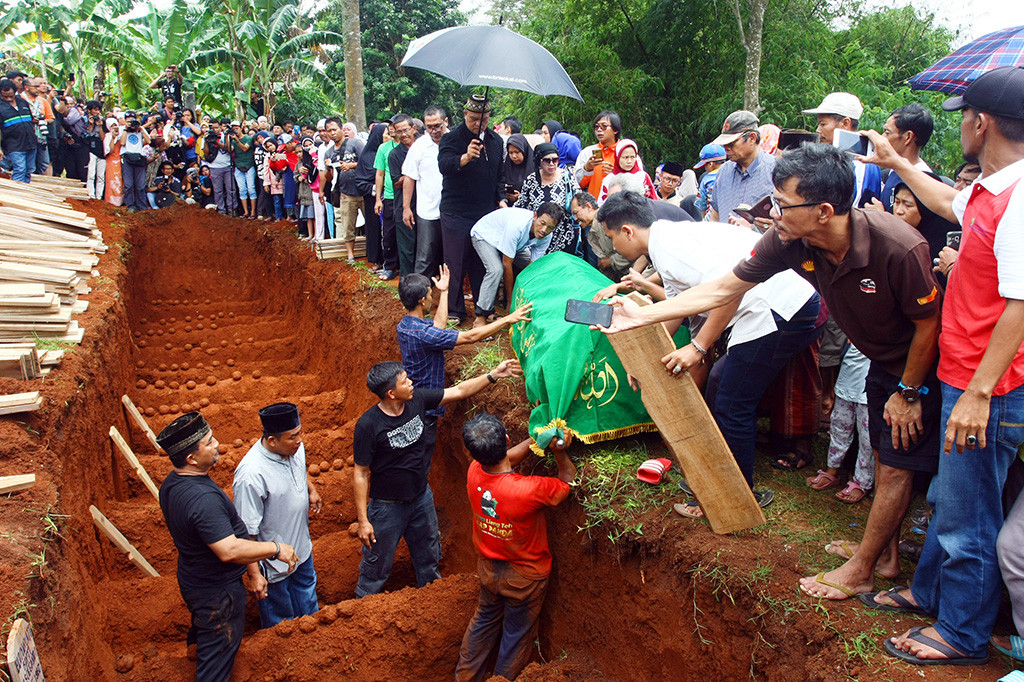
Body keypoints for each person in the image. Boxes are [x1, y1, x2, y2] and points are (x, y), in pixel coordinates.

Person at [601, 143, 942, 602]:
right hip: (883, 362)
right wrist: (640, 317)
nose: (772, 211)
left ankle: (862, 567)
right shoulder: (787, 239)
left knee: (897, 468)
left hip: (921, 370)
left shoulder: (899, 246)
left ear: (824, 211)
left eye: (783, 203)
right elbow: (724, 287)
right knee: (885, 459)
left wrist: (908, 390)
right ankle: (883, 554)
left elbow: (929, 325)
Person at [853, 65, 1024, 667]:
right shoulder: (991, 189)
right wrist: (895, 164)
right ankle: (929, 593)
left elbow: (1020, 304)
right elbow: (948, 199)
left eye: (963, 119)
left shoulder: (1021, 200)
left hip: (992, 384)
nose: (961, 129)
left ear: (981, 123)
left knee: (968, 511)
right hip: (966, 372)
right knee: (952, 501)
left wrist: (980, 391)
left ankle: (962, 632)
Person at [593, 192, 820, 509]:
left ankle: (733, 497)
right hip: (769, 306)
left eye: (612, 237)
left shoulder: (673, 249)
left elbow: (729, 294)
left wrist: (698, 347)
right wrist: (641, 361)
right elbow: (675, 309)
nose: (614, 247)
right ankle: (724, 482)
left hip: (779, 306)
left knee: (731, 398)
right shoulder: (664, 245)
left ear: (628, 230)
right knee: (722, 387)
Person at [352, 358, 522, 597]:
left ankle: (432, 602)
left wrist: (493, 374)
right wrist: (363, 520)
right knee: (376, 567)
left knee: (429, 557)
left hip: (421, 498)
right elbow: (360, 473)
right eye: (405, 381)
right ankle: (363, 607)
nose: (411, 383)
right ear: (391, 393)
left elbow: (459, 391)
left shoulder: (417, 399)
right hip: (387, 508)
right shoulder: (368, 425)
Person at [157, 411, 299, 682]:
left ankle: (195, 648)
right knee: (217, 659)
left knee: (201, 631)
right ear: (191, 458)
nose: (217, 444)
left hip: (193, 579)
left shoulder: (171, 484)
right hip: (218, 595)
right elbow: (229, 549)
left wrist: (256, 571)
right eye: (209, 443)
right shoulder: (202, 500)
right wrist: (276, 549)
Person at [454, 413, 576, 682]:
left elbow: (506, 460)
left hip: (488, 570)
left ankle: (464, 677)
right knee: (515, 636)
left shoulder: (474, 470)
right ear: (506, 440)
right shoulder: (528, 490)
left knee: (482, 623)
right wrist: (560, 452)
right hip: (525, 578)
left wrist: (535, 439)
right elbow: (567, 481)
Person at [396, 266, 531, 422]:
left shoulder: (406, 325)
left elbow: (438, 327)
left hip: (418, 399)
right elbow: (470, 337)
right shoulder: (423, 334)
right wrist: (507, 319)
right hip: (425, 408)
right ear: (422, 300)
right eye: (431, 294)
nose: (432, 298)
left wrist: (445, 291)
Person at [232, 403, 322, 629]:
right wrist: (254, 575)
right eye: (293, 437)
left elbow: (298, 470)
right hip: (273, 564)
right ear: (272, 440)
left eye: (300, 432)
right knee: (281, 624)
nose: (300, 440)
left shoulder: (293, 448)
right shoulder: (251, 475)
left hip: (302, 550)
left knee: (309, 606)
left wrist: (310, 489)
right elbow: (246, 533)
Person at [437, 95, 507, 325]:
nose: (479, 124)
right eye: (475, 118)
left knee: (482, 263)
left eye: (484, 119)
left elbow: (499, 176)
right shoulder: (451, 138)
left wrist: (502, 199)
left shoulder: (496, 141)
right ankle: (455, 310)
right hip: (456, 212)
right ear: (465, 114)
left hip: (485, 214)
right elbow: (444, 166)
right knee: (455, 263)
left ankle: (482, 307)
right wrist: (465, 157)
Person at [472, 204, 563, 323]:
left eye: (550, 227)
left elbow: (532, 269)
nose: (544, 230)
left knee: (539, 267)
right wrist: (510, 302)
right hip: (486, 236)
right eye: (542, 223)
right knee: (496, 270)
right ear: (535, 216)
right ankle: (480, 317)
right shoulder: (517, 225)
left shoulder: (546, 236)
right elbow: (506, 264)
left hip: (513, 245)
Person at [806, 343, 874, 503]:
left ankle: (862, 482)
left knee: (867, 438)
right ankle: (832, 470)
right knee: (839, 427)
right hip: (849, 376)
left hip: (871, 384)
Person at [802, 92, 881, 207]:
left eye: (823, 124)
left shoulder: (859, 162)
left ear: (845, 123)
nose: (818, 130)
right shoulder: (859, 157)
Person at [707, 110, 776, 227]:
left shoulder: (776, 171)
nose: (726, 148)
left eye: (732, 143)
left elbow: (788, 224)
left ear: (752, 138)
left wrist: (761, 227)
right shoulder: (724, 171)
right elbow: (715, 216)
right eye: (724, 144)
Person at [403, 106, 448, 277]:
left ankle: (451, 294)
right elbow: (409, 177)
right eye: (429, 127)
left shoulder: (455, 142)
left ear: (446, 122)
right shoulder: (419, 146)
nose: (434, 131)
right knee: (425, 255)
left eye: (437, 125)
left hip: (452, 210)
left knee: (451, 255)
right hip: (427, 210)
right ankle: (420, 293)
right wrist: (406, 208)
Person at [514, 142, 579, 257]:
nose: (552, 164)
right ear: (539, 161)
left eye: (555, 160)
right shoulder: (531, 180)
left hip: (563, 237)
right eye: (546, 160)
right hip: (539, 237)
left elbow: (578, 201)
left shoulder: (567, 177)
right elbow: (521, 205)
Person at [878, 103, 933, 211]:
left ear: (908, 137)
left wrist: (880, 215)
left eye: (887, 133)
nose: (882, 138)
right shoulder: (892, 172)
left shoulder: (923, 181)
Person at [325, 117, 365, 262]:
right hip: (346, 193)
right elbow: (329, 178)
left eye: (335, 129)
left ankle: (374, 253)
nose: (332, 133)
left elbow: (366, 162)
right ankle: (350, 255)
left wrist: (351, 165)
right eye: (329, 131)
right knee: (348, 225)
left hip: (363, 191)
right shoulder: (329, 153)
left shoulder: (355, 143)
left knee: (371, 224)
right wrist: (328, 168)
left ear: (341, 129)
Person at [389, 115, 419, 275]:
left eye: (406, 130)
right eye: (398, 131)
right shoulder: (394, 154)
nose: (403, 134)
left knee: (425, 249)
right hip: (404, 207)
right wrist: (412, 173)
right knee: (407, 250)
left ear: (414, 129)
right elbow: (397, 182)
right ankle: (408, 286)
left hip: (425, 206)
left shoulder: (423, 146)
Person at [354, 123, 386, 268]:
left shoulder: (390, 152)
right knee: (374, 230)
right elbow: (360, 181)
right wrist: (377, 190)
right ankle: (377, 259)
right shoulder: (367, 156)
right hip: (373, 199)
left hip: (391, 198)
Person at [375, 118, 401, 280]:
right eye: (389, 126)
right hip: (390, 197)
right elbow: (379, 174)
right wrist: (378, 198)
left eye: (394, 126)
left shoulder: (411, 146)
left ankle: (406, 267)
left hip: (408, 196)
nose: (391, 129)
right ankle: (390, 266)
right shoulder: (383, 148)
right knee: (389, 232)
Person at [576, 110, 622, 197]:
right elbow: (576, 184)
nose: (599, 130)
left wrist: (616, 173)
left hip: (619, 205)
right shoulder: (588, 152)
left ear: (615, 130)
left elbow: (636, 182)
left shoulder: (625, 152)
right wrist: (587, 169)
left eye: (604, 126)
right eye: (596, 127)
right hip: (594, 206)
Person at [0, 78, 38, 183]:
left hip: (30, 142)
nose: (8, 99)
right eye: (5, 96)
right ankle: (19, 194)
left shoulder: (22, 102)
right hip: (14, 145)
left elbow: (31, 120)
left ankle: (26, 191)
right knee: (20, 169)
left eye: (11, 96)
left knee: (30, 170)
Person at [119, 117, 152, 212]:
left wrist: (141, 129)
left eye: (133, 122)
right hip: (126, 157)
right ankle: (130, 205)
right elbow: (122, 142)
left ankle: (142, 206)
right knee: (128, 184)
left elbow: (149, 141)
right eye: (129, 121)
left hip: (139, 157)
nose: (131, 124)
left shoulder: (140, 130)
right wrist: (126, 129)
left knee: (140, 185)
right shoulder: (122, 129)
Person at [208, 119, 238, 216]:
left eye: (217, 127)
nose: (215, 130)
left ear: (220, 127)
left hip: (227, 166)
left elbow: (228, 149)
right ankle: (221, 211)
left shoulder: (226, 135)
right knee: (218, 191)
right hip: (214, 167)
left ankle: (232, 209)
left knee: (231, 189)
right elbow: (205, 152)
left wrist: (224, 138)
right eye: (213, 128)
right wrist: (207, 140)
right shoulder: (208, 136)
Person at [229, 121, 256, 219]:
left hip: (249, 166)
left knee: (251, 189)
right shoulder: (232, 140)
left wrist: (236, 140)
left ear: (241, 128)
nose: (235, 130)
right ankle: (246, 212)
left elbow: (245, 148)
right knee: (242, 190)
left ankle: (253, 212)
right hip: (238, 167)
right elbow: (229, 149)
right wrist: (227, 138)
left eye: (237, 128)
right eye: (233, 128)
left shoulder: (248, 138)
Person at [693, 143, 727, 217]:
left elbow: (701, 203)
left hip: (712, 217)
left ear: (711, 164)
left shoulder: (706, 179)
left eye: (705, 165)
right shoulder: (733, 173)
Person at [502, 134, 533, 207]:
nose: (514, 156)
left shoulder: (534, 168)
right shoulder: (506, 166)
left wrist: (521, 197)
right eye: (511, 152)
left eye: (517, 152)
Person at [104, 118, 123, 205]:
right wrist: (112, 138)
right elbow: (110, 150)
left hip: (119, 160)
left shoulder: (122, 135)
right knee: (111, 181)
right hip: (111, 161)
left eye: (115, 125)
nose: (114, 127)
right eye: (112, 126)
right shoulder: (107, 136)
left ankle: (120, 201)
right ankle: (110, 201)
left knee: (120, 181)